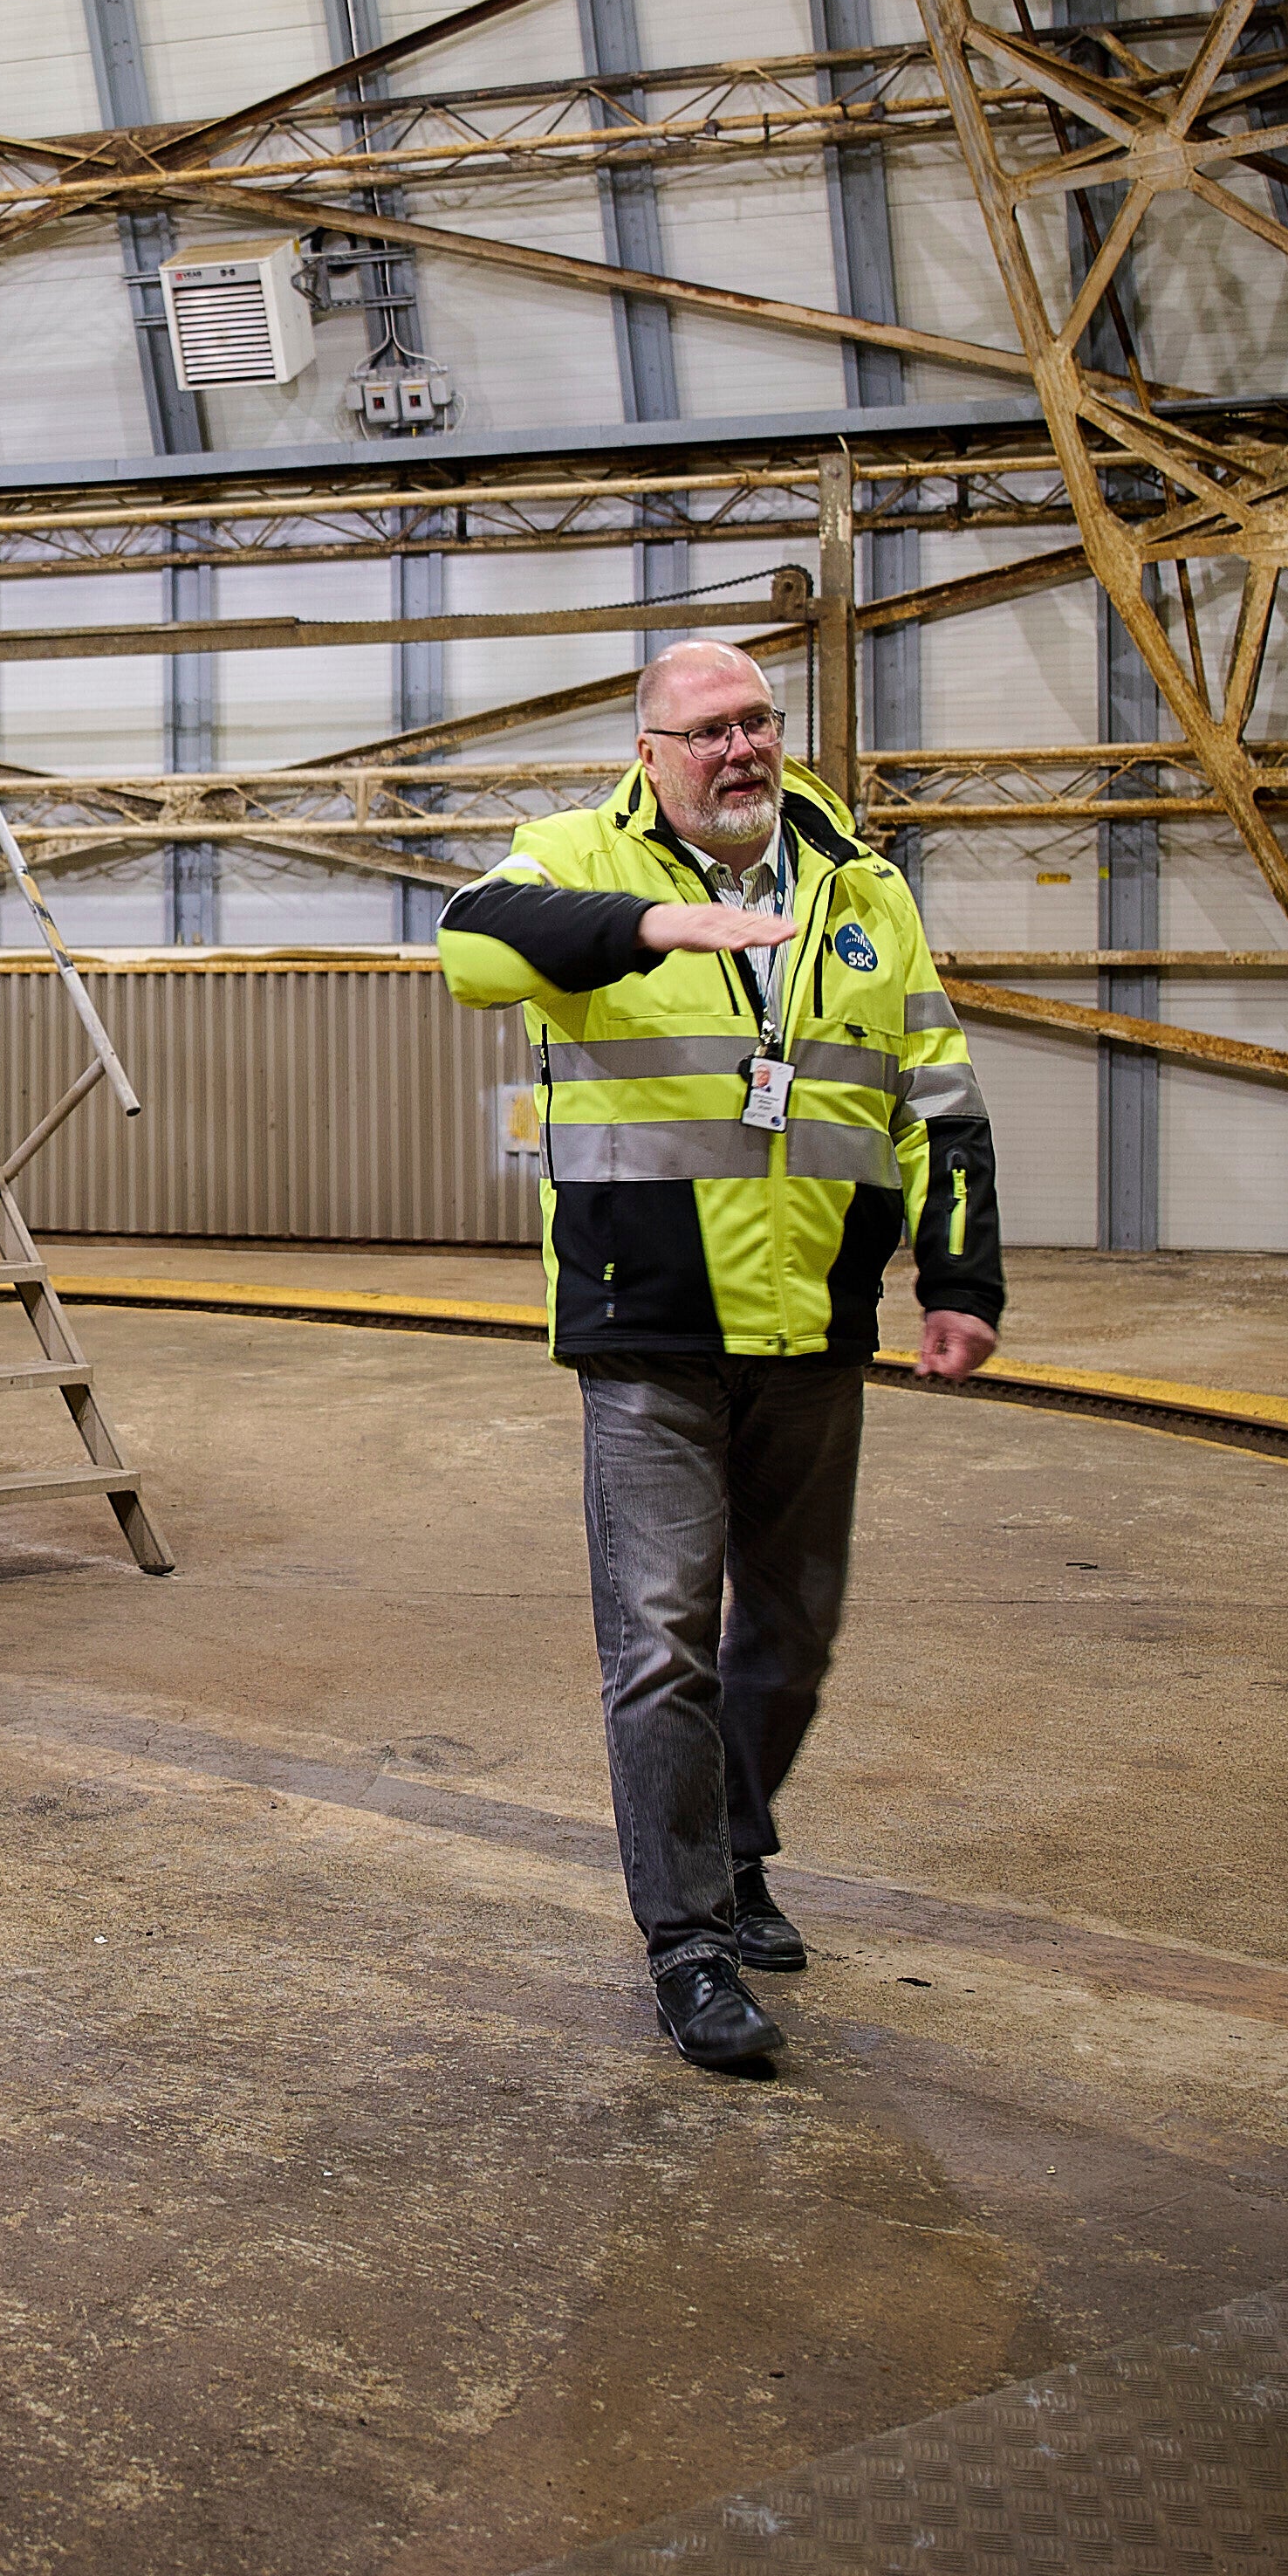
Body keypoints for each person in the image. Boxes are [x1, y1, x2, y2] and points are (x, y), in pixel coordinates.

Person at [435, 637, 1002, 2078]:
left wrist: (958, 1277)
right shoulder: (574, 855)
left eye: (757, 720)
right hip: (648, 1324)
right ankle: (687, 1939)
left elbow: (936, 1096)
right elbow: (468, 949)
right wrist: (644, 930)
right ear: (650, 753)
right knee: (663, 1640)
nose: (741, 748)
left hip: (817, 1316)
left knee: (793, 1632)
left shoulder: (861, 889)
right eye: (707, 730)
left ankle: (736, 1850)